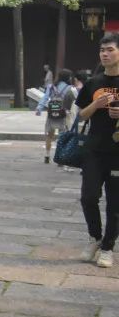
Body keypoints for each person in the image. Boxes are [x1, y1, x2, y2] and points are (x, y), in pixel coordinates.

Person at [75, 32, 119, 268]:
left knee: (115, 203)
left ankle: (108, 247)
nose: (105, 54)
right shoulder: (93, 82)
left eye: (110, 50)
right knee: (88, 196)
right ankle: (95, 237)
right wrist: (96, 104)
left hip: (117, 152)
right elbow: (81, 115)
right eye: (102, 50)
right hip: (94, 148)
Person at [35, 69, 77, 163]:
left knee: (49, 135)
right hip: (64, 114)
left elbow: (45, 97)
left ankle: (47, 155)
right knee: (62, 136)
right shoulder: (70, 88)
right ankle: (60, 156)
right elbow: (75, 100)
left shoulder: (51, 86)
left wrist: (39, 108)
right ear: (68, 77)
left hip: (52, 113)